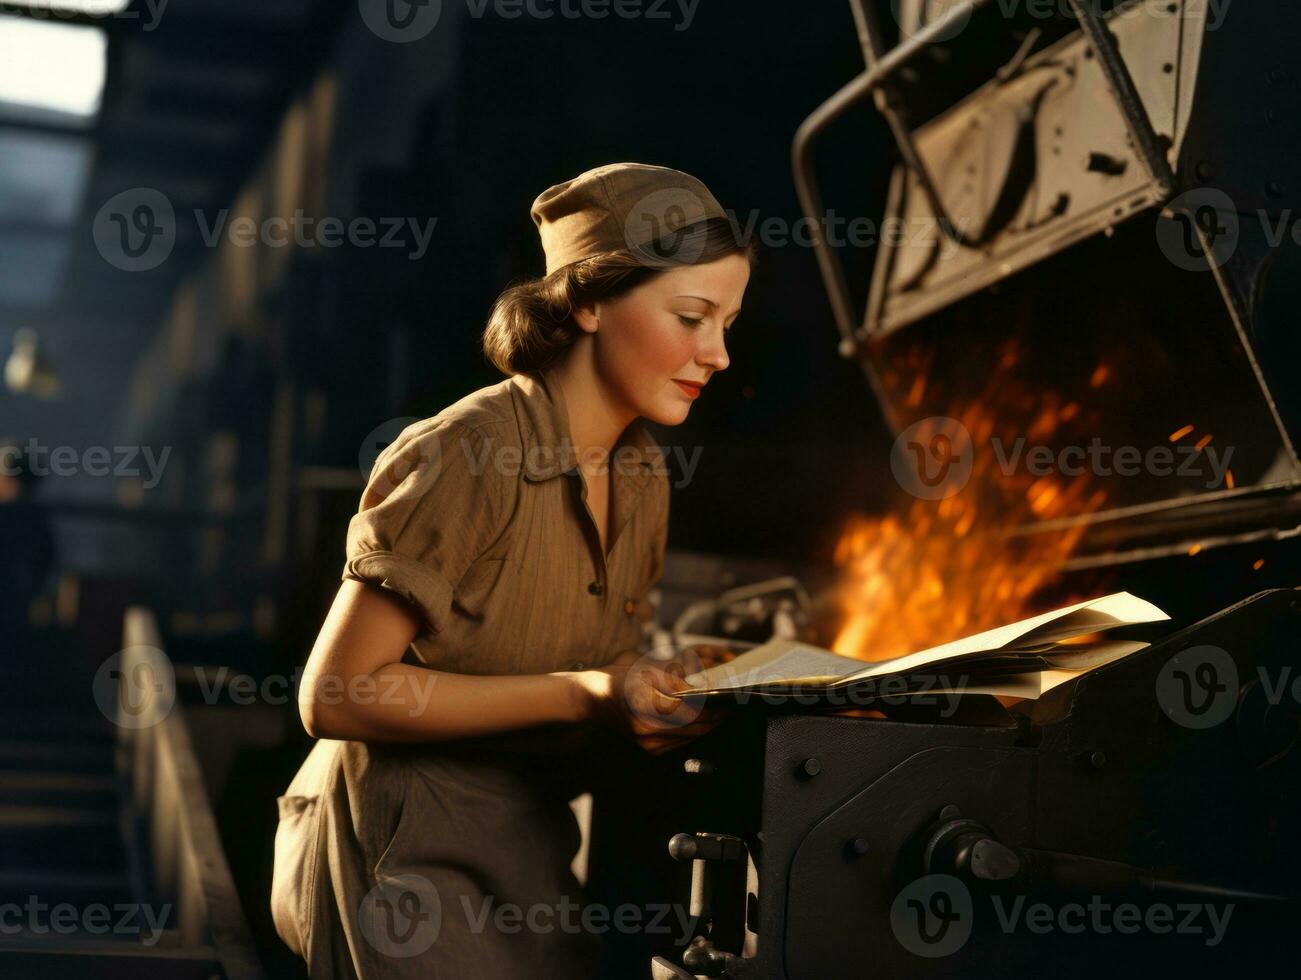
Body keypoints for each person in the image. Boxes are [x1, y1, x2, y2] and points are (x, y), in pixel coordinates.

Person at [271, 162, 754, 978]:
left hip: (527, 849)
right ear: (587, 302)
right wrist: (584, 691)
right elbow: (335, 694)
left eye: (727, 323)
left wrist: (656, 689)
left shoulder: (640, 477)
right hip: (398, 852)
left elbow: (594, 678)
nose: (717, 354)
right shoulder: (469, 453)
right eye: (691, 316)